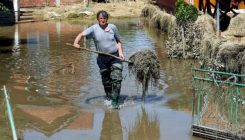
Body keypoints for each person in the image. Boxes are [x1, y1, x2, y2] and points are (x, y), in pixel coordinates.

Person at [73, 10, 124, 109]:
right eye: (101, 19)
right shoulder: (94, 28)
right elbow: (81, 35)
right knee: (106, 81)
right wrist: (76, 43)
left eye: (104, 18)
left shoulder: (112, 27)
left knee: (117, 79)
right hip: (102, 59)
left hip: (114, 56)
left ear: (107, 19)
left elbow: (119, 41)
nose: (103, 20)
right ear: (98, 19)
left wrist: (121, 52)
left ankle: (114, 103)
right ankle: (109, 97)